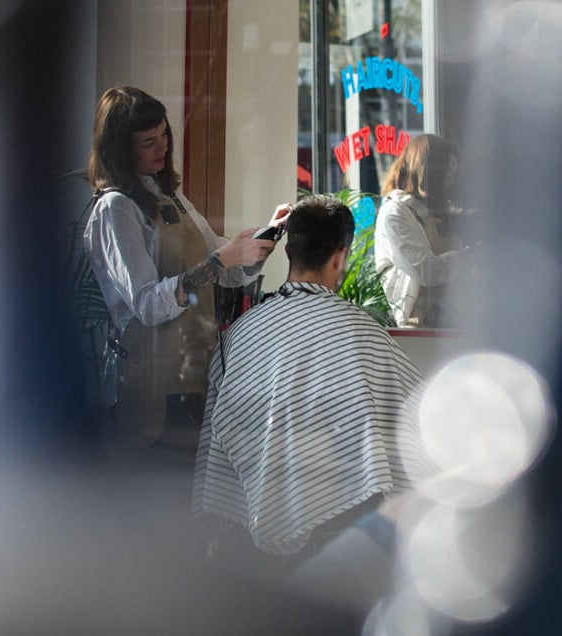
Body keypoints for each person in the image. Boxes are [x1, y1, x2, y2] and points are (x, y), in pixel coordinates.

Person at [192, 194, 431, 574]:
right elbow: (420, 420)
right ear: (340, 256)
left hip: (247, 541)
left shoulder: (242, 333)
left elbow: (219, 438)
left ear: (288, 250)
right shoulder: (360, 334)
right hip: (339, 531)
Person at [83, 86, 288, 459]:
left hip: (193, 376)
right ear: (121, 150)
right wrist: (222, 259)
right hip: (149, 389)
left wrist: (259, 243)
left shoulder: (171, 197)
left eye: (164, 135)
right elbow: (147, 305)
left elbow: (224, 274)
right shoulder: (116, 209)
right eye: (148, 142)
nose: (162, 147)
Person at [374, 133, 477, 328]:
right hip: (419, 326)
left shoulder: (439, 211)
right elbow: (426, 271)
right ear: (429, 172)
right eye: (447, 173)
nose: (451, 181)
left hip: (455, 320)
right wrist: (470, 255)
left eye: (454, 174)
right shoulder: (396, 211)